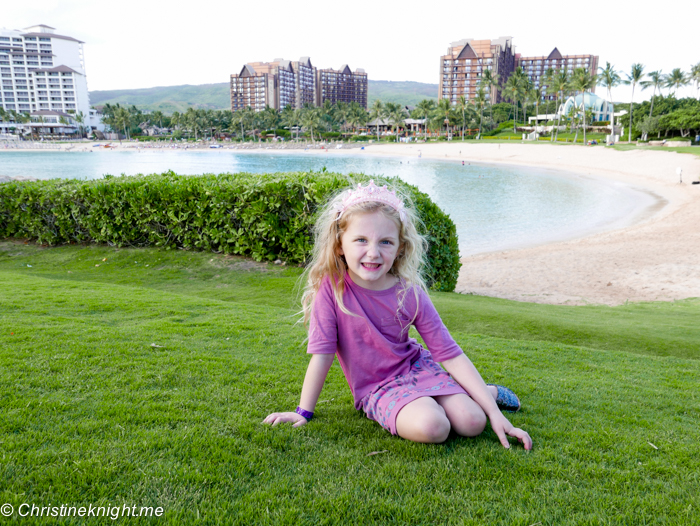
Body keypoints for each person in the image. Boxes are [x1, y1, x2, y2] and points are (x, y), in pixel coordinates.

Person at [263, 181, 532, 449]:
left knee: (473, 422)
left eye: (386, 242)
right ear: (339, 246)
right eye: (361, 240)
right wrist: (303, 412)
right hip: (377, 386)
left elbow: (449, 352)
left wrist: (495, 415)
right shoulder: (332, 291)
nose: (373, 252)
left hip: (418, 368)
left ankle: (487, 394)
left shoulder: (409, 292)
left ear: (400, 247)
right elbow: (321, 356)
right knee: (433, 426)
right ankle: (445, 399)